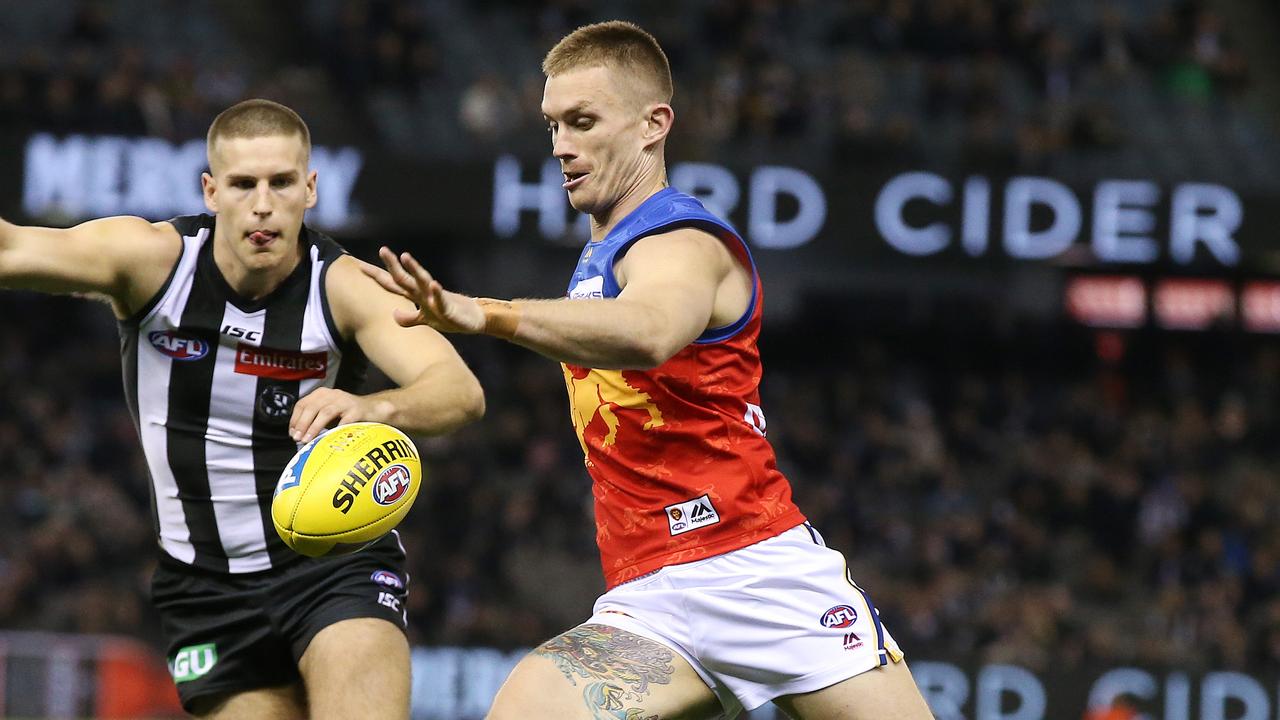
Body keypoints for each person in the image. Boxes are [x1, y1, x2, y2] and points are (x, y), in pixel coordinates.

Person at [366, 20, 933, 720]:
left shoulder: (681, 240)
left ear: (652, 124)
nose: (562, 147)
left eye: (582, 122)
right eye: (552, 126)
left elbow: (652, 330)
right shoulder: (600, 257)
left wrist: (488, 314)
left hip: (763, 576)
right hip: (653, 602)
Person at [0, 98, 485, 719]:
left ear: (310, 190)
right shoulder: (152, 262)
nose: (263, 203)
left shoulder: (341, 287)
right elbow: (12, 251)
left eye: (282, 182)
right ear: (210, 190)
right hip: (205, 587)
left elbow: (458, 389)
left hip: (333, 567)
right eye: (243, 183)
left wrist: (375, 405)